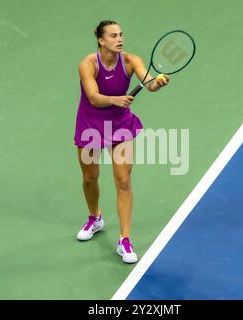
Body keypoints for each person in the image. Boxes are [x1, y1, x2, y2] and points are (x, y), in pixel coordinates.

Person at [74, 20, 169, 264]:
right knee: (89, 177)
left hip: (120, 126)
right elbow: (94, 98)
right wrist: (116, 100)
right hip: (91, 126)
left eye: (121, 35)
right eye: (114, 35)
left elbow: (149, 84)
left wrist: (157, 83)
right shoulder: (88, 64)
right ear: (101, 40)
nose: (120, 39)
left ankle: (124, 240)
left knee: (124, 180)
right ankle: (95, 217)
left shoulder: (130, 61)